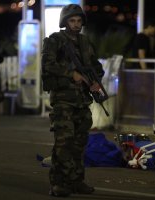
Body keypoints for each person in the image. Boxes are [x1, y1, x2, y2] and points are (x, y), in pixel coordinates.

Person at [41, 4, 104, 197]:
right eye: (72, 21)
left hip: (82, 100)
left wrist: (95, 82)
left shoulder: (86, 43)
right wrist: (72, 74)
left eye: (79, 21)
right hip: (63, 101)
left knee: (79, 143)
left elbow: (96, 67)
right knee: (63, 143)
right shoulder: (55, 41)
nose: (76, 24)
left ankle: (77, 181)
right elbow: (48, 65)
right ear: (65, 22)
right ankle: (58, 183)